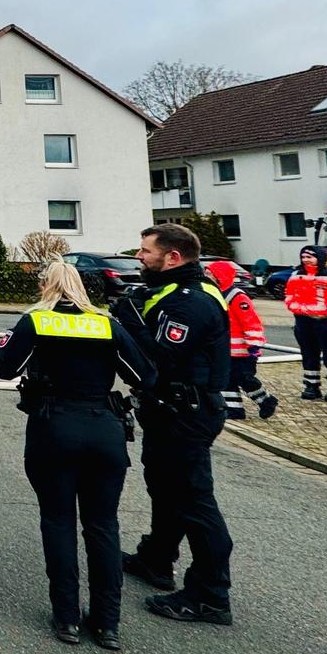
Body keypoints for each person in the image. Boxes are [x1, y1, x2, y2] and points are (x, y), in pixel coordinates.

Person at [0, 259, 154, 650]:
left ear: (46, 286)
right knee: (103, 526)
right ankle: (107, 623)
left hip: (54, 429)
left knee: (58, 521)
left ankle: (66, 618)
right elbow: (145, 375)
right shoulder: (106, 324)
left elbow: (3, 367)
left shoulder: (37, 321)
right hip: (104, 430)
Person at [113, 222, 236, 626]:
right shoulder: (169, 293)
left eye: (145, 251)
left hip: (188, 412)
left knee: (193, 500)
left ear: (173, 257)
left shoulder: (191, 302)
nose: (139, 257)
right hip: (168, 410)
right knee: (164, 488)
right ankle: (157, 559)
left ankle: (210, 594)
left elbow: (160, 360)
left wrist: (129, 322)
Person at [208, 261, 277, 419]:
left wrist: (253, 344)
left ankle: (266, 400)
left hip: (243, 351)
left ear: (219, 276)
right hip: (225, 350)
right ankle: (234, 410)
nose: (207, 276)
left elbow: (250, 321)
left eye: (209, 274)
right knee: (227, 381)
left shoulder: (236, 296)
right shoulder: (215, 294)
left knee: (245, 379)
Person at [285, 245, 327, 401]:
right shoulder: (295, 275)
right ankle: (311, 386)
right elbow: (289, 294)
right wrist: (294, 306)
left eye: (310, 257)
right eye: (303, 257)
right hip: (303, 321)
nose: (306, 260)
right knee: (308, 355)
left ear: (320, 258)